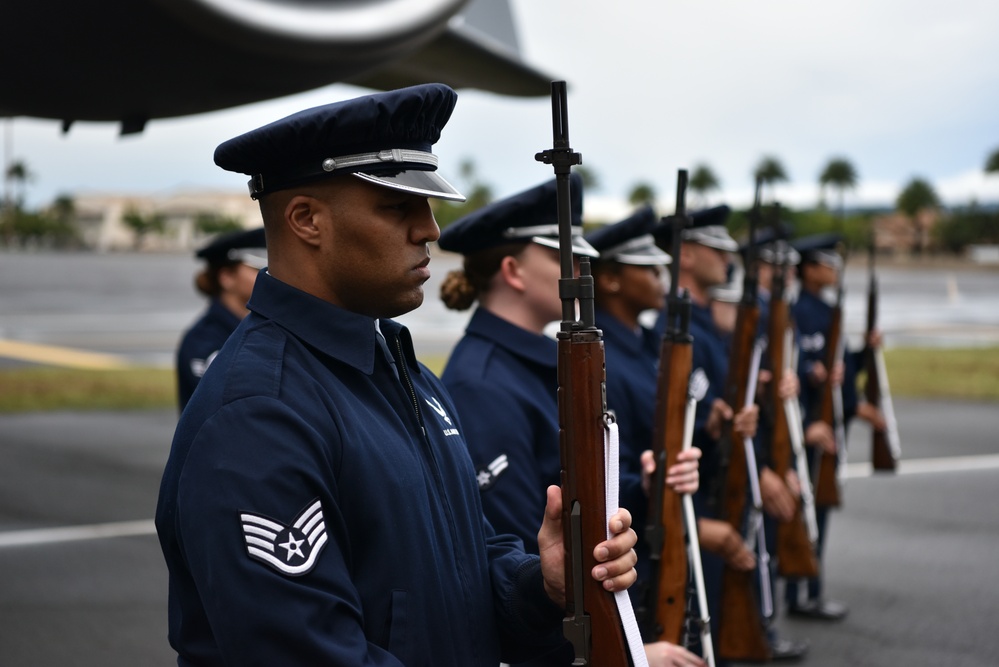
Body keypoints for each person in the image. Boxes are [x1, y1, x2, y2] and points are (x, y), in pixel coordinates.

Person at [155, 83, 640, 667]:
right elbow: (304, 651)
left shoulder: (403, 371)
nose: (430, 229)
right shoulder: (260, 413)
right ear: (306, 219)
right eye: (398, 206)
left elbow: (466, 564)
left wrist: (543, 585)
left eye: (427, 206)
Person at [438, 179, 698, 667]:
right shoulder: (484, 384)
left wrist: (646, 484)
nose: (582, 268)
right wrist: (625, 649)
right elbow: (520, 570)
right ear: (513, 271)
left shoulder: (536, 365)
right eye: (563, 255)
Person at [785, 232, 885, 622]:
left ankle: (809, 589)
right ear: (808, 270)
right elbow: (801, 372)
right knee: (807, 513)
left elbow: (838, 375)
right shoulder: (800, 312)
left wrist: (864, 352)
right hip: (809, 428)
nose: (833, 270)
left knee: (819, 512)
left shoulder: (827, 312)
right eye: (826, 263)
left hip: (828, 425)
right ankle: (800, 592)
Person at [175, 226, 266, 411]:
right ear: (227, 277)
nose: (267, 275)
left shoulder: (260, 328)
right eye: (258, 268)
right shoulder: (204, 341)